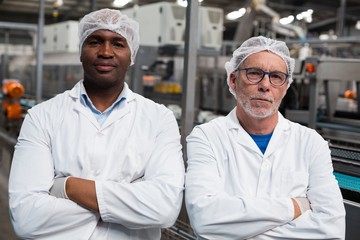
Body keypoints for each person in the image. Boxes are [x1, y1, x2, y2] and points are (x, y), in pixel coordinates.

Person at [8, 8, 185, 240]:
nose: (106, 52)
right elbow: (26, 218)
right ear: (81, 51)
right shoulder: (42, 116)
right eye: (95, 41)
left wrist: (66, 188)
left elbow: (164, 209)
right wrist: (130, 200)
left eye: (118, 44)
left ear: (131, 55)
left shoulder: (159, 119)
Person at [185, 36, 346, 239]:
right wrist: (295, 206)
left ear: (286, 87)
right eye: (254, 73)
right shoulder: (206, 137)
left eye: (276, 77)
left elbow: (333, 228)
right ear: (233, 81)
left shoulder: (311, 143)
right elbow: (204, 217)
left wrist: (236, 228)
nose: (265, 85)